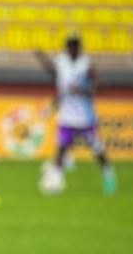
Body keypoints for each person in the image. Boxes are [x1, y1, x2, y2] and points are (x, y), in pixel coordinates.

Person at [38, 34, 115, 193]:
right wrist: (51, 108)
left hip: (85, 118)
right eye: (69, 47)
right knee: (61, 149)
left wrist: (82, 90)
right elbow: (61, 91)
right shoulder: (62, 62)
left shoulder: (85, 64)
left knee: (97, 149)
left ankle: (108, 175)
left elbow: (98, 86)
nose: (71, 50)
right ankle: (55, 181)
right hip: (67, 117)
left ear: (79, 48)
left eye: (74, 47)